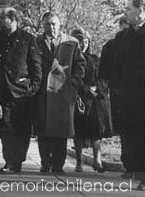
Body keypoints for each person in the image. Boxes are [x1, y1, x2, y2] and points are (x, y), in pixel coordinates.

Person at [0, 8, 42, 173]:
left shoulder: (28, 39)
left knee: (22, 129)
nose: (3, 27)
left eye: (6, 23)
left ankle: (18, 160)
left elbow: (36, 68)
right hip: (2, 92)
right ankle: (10, 161)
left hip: (22, 94)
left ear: (14, 20)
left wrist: (31, 89)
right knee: (5, 128)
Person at [33, 12, 85, 174]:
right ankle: (45, 163)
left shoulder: (71, 42)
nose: (51, 27)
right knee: (42, 130)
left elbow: (80, 65)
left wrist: (74, 83)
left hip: (63, 93)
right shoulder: (35, 42)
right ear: (43, 25)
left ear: (60, 24)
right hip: (42, 93)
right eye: (48, 24)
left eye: (54, 24)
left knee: (60, 130)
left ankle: (58, 164)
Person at [113, 0, 145, 189]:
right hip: (128, 97)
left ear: (140, 10)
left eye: (129, 9)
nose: (125, 12)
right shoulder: (122, 37)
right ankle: (134, 169)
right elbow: (117, 67)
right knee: (132, 135)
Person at [71, 28, 112, 173]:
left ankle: (97, 160)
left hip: (94, 99)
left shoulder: (95, 59)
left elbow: (103, 77)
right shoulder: (71, 59)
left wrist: (96, 89)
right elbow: (71, 78)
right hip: (78, 98)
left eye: (86, 41)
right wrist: (83, 89)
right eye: (80, 41)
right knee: (78, 131)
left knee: (96, 131)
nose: (83, 44)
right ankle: (79, 161)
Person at [98, 16, 127, 175]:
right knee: (124, 129)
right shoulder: (110, 46)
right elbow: (103, 71)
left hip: (134, 92)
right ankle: (128, 163)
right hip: (117, 92)